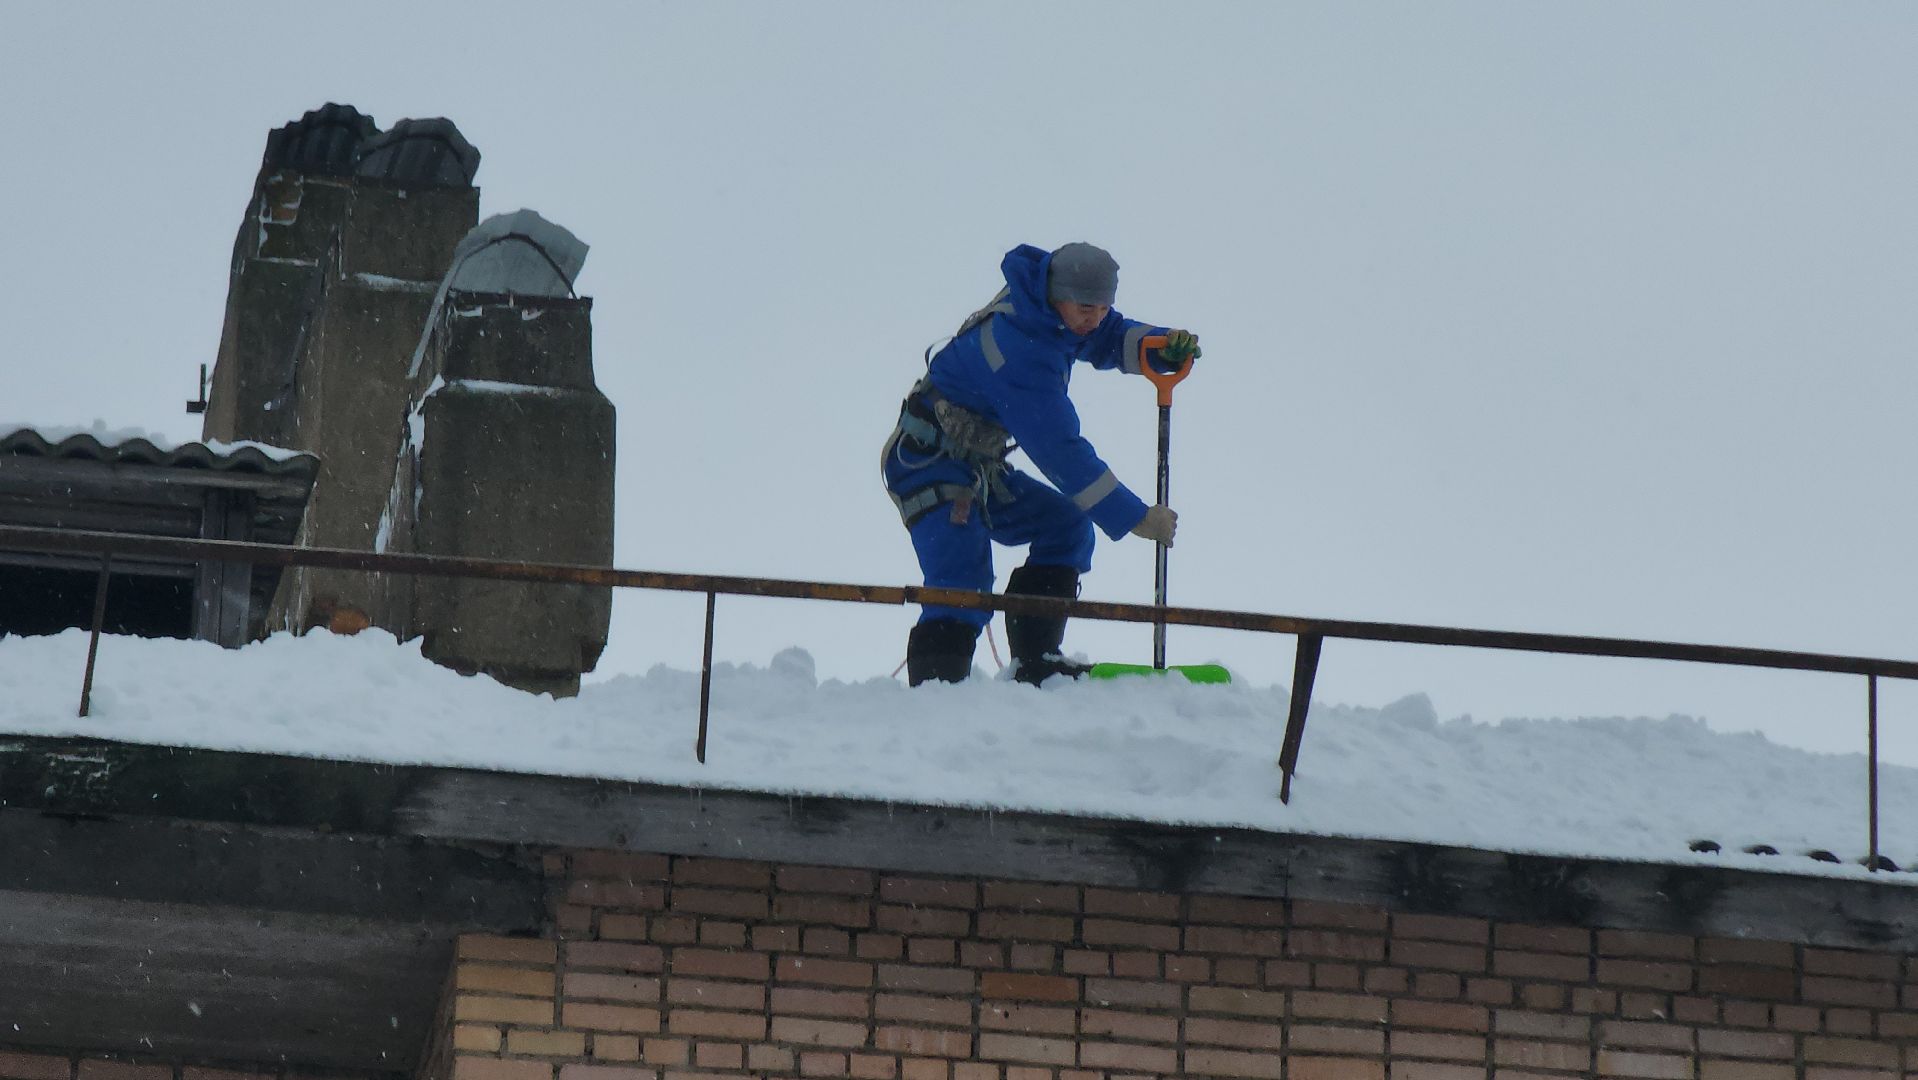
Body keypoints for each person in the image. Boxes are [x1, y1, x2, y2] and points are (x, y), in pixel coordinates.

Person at [882, 241, 1200, 686]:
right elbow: (1060, 451)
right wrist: (1136, 517)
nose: (1095, 317)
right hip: (927, 463)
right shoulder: (1020, 352)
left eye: (1103, 306)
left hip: (977, 467)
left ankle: (1036, 662)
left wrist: (1159, 345)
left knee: (1065, 526)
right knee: (961, 577)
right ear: (1059, 295)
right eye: (1087, 307)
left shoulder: (1047, 309)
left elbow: (1106, 335)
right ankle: (939, 691)